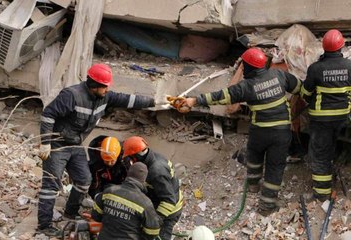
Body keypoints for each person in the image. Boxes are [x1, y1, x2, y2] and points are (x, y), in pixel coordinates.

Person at [176, 47, 301, 215]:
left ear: (248, 67)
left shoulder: (246, 86)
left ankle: (253, 186)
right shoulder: (279, 75)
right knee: (275, 167)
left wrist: (194, 100)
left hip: (260, 131)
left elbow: (221, 96)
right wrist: (298, 112)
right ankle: (267, 205)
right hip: (281, 132)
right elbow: (299, 88)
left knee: (255, 156)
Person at [37, 63, 155, 237]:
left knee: (84, 180)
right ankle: (44, 224)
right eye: (105, 86)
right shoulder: (71, 95)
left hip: (76, 144)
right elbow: (48, 114)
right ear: (95, 85)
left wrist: (155, 101)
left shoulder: (104, 97)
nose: (108, 89)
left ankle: (70, 211)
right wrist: (45, 142)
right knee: (51, 185)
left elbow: (129, 100)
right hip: (57, 144)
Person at [300, 29, 351, 201]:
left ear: (324, 48)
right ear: (342, 46)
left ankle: (322, 194)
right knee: (333, 145)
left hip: (321, 120)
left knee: (320, 154)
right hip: (343, 118)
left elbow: (305, 93)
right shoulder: (350, 67)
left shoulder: (316, 68)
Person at [122, 136, 183, 240]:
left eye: (131, 158)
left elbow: (169, 201)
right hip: (159, 200)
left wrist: (156, 220)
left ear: (136, 156)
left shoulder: (156, 172)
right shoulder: (152, 157)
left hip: (170, 212)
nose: (130, 161)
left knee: (159, 236)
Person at [91, 162, 161, 240]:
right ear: (144, 180)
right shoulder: (145, 202)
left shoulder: (109, 191)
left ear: (128, 174)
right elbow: (152, 232)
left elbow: (95, 215)